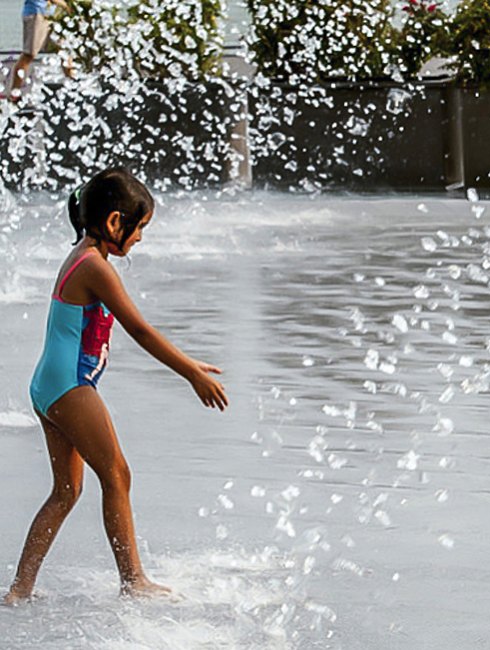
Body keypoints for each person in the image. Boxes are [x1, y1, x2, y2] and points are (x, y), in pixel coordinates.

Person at [2, 168, 229, 606]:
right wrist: (190, 373)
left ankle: (19, 590)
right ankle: (133, 580)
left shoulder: (85, 256)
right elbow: (140, 330)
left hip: (51, 384)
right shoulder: (94, 268)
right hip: (69, 387)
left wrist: (188, 362)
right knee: (117, 474)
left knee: (66, 491)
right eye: (139, 228)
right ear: (113, 224)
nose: (141, 239)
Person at [5, 0, 73, 103]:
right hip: (37, 13)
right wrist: (67, 6)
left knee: (64, 51)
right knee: (29, 55)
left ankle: (73, 84)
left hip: (53, 15)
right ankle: (14, 94)